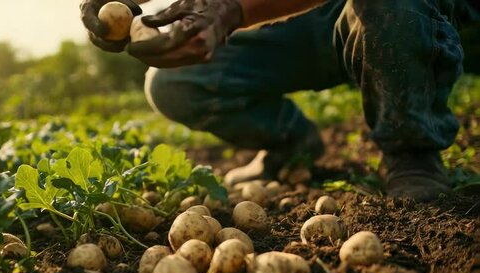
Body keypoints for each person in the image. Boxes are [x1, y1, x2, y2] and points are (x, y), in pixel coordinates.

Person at [80, 0, 480, 201]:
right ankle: (290, 141)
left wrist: (232, 9)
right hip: (290, 19)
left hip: (395, 11)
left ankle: (412, 149)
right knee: (174, 82)